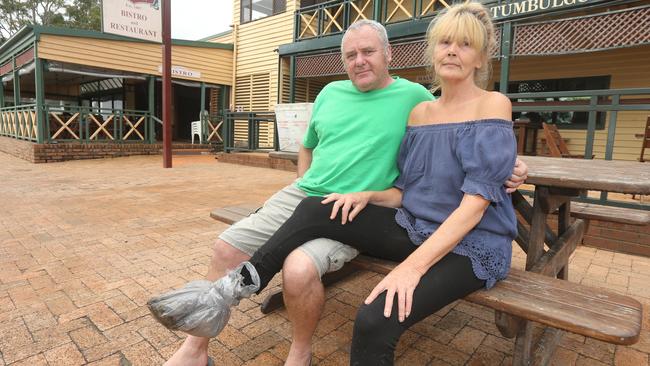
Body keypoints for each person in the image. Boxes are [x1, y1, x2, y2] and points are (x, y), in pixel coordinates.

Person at [156, 16, 527, 366]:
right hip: (416, 226)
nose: (452, 51)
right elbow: (405, 190)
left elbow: (475, 205)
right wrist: (367, 196)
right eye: (445, 42)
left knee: (371, 318)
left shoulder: (491, 104)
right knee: (316, 207)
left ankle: (252, 296)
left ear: (480, 57)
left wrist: (410, 270)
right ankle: (239, 284)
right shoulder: (421, 113)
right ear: (432, 51)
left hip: (472, 242)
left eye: (465, 44)